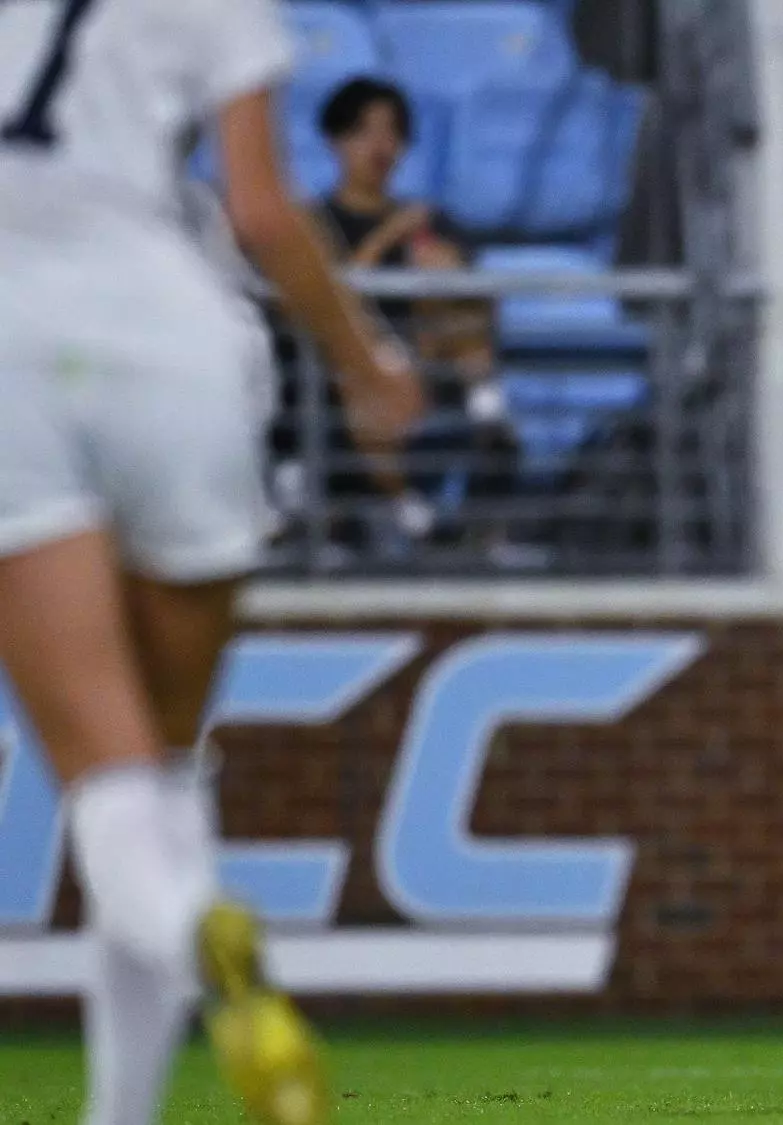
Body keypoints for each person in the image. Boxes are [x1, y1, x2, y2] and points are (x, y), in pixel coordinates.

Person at [0, 0, 421, 1122]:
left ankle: (198, 929)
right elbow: (262, 213)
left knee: (110, 778)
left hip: (12, 334)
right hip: (180, 333)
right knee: (165, 770)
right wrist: (366, 360)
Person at [310, 76, 513, 555]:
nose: (381, 146)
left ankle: (483, 404)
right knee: (367, 373)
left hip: (431, 356)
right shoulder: (314, 222)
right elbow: (331, 294)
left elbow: (479, 299)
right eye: (364, 131)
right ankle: (410, 512)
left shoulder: (428, 220)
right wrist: (386, 237)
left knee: (439, 261)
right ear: (335, 141)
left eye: (392, 132)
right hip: (353, 361)